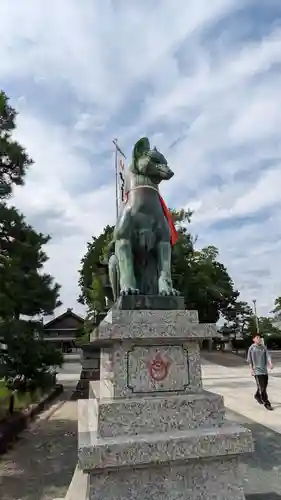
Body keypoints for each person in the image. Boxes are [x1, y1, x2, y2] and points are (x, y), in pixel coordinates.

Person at [247, 334, 273, 410]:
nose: (259, 339)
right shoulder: (252, 348)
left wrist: (270, 363)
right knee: (262, 388)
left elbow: (268, 355)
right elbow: (250, 360)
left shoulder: (263, 347)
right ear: (254, 339)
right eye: (257, 338)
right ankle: (266, 403)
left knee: (264, 386)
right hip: (257, 371)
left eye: (260, 338)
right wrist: (251, 369)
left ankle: (257, 396)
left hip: (264, 370)